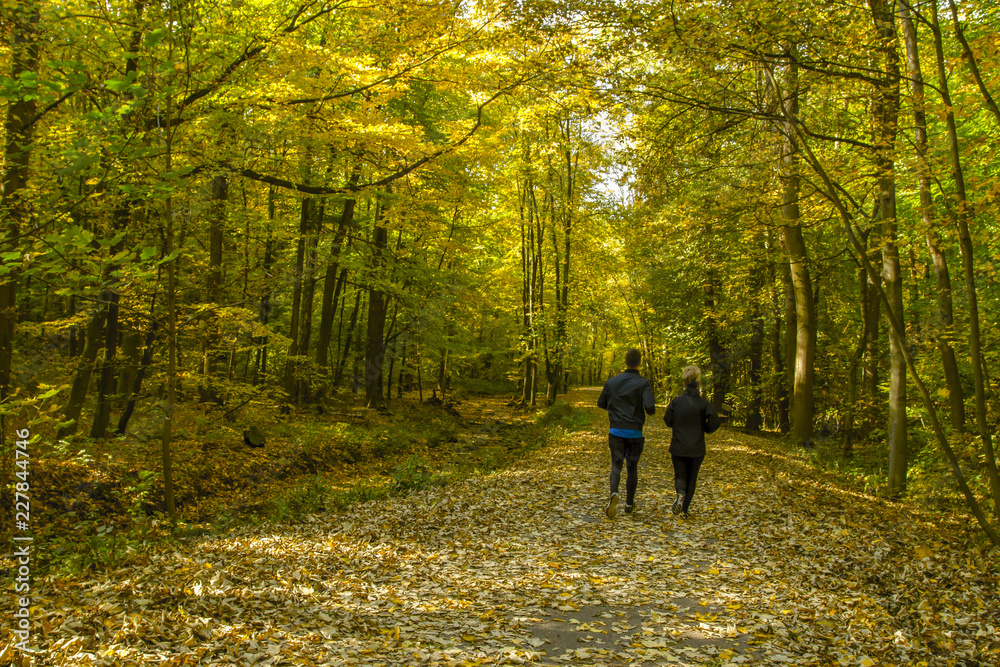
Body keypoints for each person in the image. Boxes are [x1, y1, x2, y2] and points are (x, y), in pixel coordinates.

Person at [597, 348, 655, 518]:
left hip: (616, 430)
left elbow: (601, 403)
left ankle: (614, 493)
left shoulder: (612, 382)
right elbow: (650, 409)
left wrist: (615, 409)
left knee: (616, 465)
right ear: (640, 362)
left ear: (625, 361)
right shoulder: (644, 383)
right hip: (635, 432)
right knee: (632, 467)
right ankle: (629, 504)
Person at [663, 365, 720, 518]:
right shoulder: (704, 404)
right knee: (692, 478)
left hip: (678, 446)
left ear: (684, 382)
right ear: (698, 383)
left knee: (680, 475)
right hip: (697, 447)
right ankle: (685, 510)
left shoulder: (676, 402)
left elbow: (667, 420)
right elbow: (715, 421)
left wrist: (678, 424)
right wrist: (706, 428)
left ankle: (680, 493)